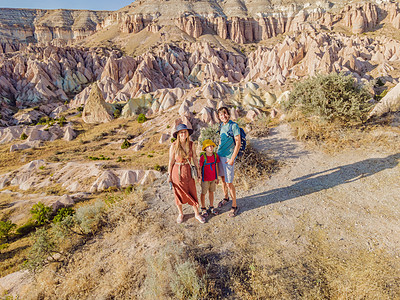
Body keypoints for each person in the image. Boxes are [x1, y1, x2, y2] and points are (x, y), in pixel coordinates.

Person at [168, 123, 205, 224]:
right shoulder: (174, 145)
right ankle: (181, 214)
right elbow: (171, 161)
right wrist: (169, 176)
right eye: (181, 132)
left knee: (192, 191)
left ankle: (197, 214)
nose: (183, 134)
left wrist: (198, 172)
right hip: (177, 172)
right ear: (178, 134)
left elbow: (195, 159)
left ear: (187, 133)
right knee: (178, 193)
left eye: (185, 132)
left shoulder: (191, 144)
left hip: (188, 170)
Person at [217, 107, 241, 217]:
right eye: (221, 115)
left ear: (228, 114)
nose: (223, 116)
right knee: (222, 179)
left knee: (229, 182)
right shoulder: (221, 125)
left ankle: (234, 205)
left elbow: (238, 143)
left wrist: (232, 159)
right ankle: (226, 197)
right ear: (219, 116)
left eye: (225, 114)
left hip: (228, 158)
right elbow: (221, 140)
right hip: (220, 156)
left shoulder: (234, 126)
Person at [199, 139, 220, 217]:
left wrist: (217, 178)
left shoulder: (215, 155)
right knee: (203, 193)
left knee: (211, 192)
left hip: (213, 178)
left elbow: (216, 167)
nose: (210, 148)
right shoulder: (203, 157)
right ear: (205, 148)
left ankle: (211, 206)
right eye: (208, 147)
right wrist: (199, 177)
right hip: (205, 179)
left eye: (211, 146)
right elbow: (200, 168)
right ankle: (203, 208)